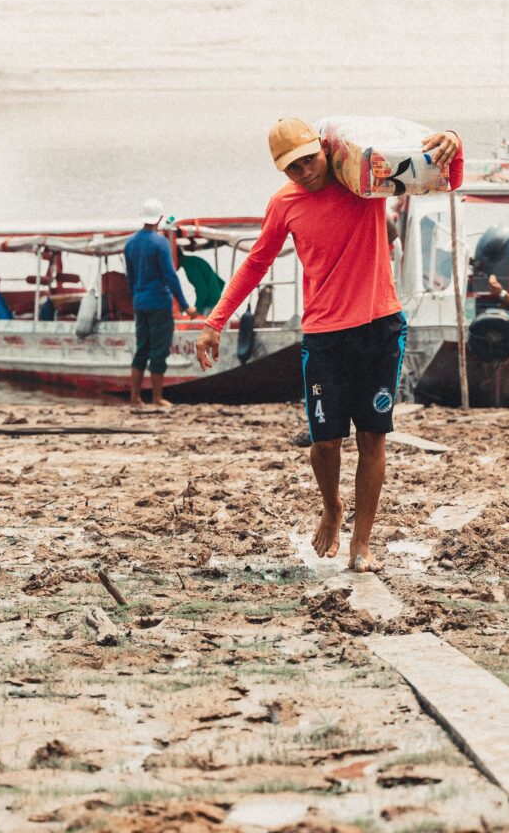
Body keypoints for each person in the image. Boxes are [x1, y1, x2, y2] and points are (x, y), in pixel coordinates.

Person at [196, 117, 460, 573]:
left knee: (373, 435)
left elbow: (437, 175)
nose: (305, 172)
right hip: (324, 335)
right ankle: (333, 507)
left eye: (308, 160)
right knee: (325, 443)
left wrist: (451, 140)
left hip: (380, 325)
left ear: (323, 148)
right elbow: (256, 263)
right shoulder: (284, 204)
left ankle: (362, 543)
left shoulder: (364, 179)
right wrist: (215, 321)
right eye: (292, 168)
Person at [125, 199, 197, 407]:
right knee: (159, 350)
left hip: (140, 303)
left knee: (142, 349)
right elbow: (170, 276)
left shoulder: (130, 243)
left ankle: (135, 397)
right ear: (160, 218)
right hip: (159, 303)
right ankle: (157, 398)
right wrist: (185, 305)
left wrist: (136, 298)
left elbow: (130, 277)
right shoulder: (160, 243)